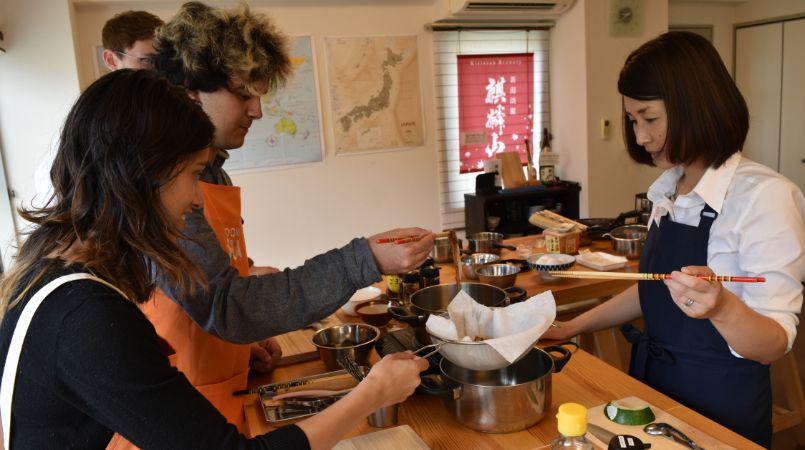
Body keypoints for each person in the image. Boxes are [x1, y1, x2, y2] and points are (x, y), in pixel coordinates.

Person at [0, 69, 428, 450]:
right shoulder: (86, 318)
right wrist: (372, 393)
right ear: (140, 178)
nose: (198, 198)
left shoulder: (50, 270)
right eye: (191, 175)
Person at [134, 0, 434, 435]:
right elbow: (225, 305)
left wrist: (240, 345)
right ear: (190, 92)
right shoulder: (164, 181)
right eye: (243, 94)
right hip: (182, 412)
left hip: (225, 390)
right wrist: (363, 259)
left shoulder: (212, 169)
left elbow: (215, 289)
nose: (257, 110)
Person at [543, 32, 804, 447]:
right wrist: (572, 326)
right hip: (652, 387)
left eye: (649, 118)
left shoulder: (765, 196)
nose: (641, 137)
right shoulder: (670, 189)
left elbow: (774, 344)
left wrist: (721, 307)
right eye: (632, 120)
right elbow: (655, 288)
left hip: (720, 404)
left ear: (695, 106)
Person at [33, 10, 163, 203]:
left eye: (162, 61)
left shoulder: (161, 107)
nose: (158, 71)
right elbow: (51, 187)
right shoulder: (92, 113)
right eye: (146, 60)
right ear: (111, 60)